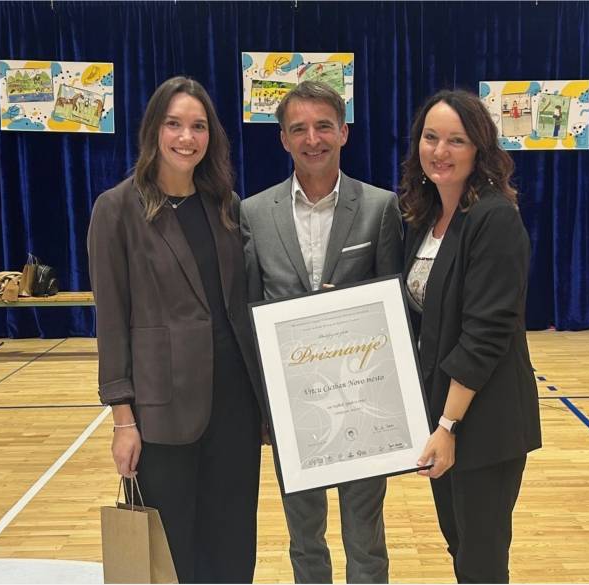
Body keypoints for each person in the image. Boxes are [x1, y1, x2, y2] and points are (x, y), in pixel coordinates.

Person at [87, 76, 264, 584]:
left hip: (234, 407)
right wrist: (123, 421)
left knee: (233, 548)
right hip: (161, 412)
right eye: (174, 124)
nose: (187, 138)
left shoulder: (225, 205)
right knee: (171, 556)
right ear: (153, 131)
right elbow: (112, 323)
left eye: (198, 126)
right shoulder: (117, 209)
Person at [240, 80, 402, 584]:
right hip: (293, 407)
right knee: (304, 538)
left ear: (344, 132)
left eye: (324, 126)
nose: (312, 139)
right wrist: (263, 407)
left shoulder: (380, 206)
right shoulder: (253, 213)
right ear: (283, 139)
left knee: (365, 539)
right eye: (299, 129)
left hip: (363, 402)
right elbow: (250, 313)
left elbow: (395, 309)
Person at [398, 89, 542, 584]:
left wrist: (448, 425)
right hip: (445, 415)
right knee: (460, 545)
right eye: (430, 137)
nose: (440, 151)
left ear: (479, 149)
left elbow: (486, 332)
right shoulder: (424, 218)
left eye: (456, 140)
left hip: (484, 421)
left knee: (481, 561)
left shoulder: (494, 218)